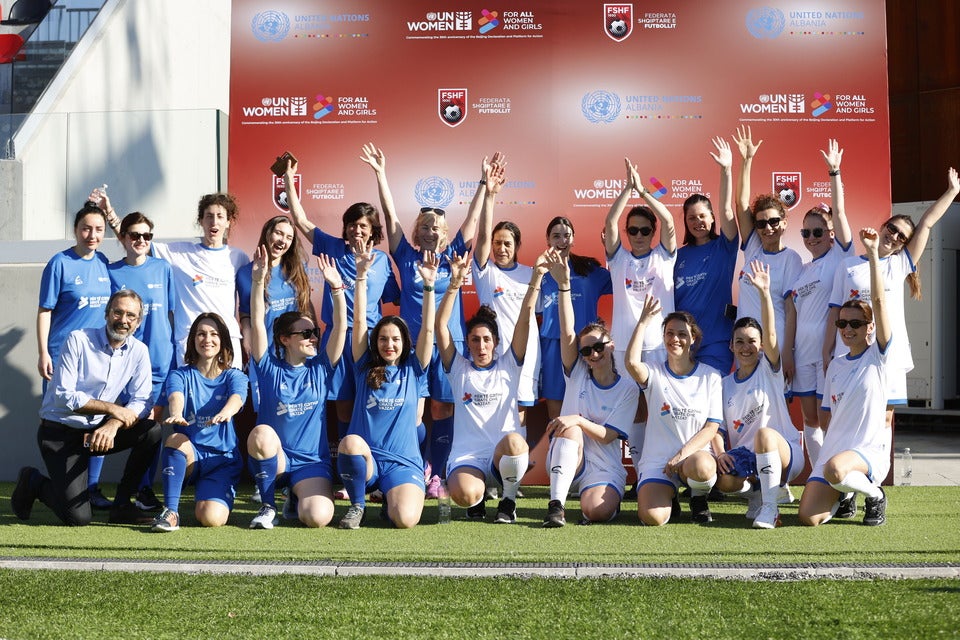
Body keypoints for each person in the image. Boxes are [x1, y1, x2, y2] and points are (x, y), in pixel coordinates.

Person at [822, 166, 959, 518]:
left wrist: (950, 193)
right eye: (892, 229)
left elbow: (927, 223)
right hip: (848, 356)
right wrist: (827, 350)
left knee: (881, 422)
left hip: (887, 358)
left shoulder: (900, 264)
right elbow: (835, 311)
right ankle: (849, 488)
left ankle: (872, 490)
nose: (895, 237)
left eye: (901, 236)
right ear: (882, 226)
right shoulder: (849, 265)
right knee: (846, 418)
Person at [361, 143, 485, 493]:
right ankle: (410, 466)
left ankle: (436, 473)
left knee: (444, 411)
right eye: (426, 226)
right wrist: (381, 174)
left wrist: (482, 185)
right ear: (419, 230)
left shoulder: (453, 258)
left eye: (438, 227)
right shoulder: (405, 255)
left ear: (446, 233)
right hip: (411, 350)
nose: (432, 231)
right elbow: (389, 215)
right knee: (413, 413)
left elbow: (473, 220)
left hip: (448, 346)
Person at [12, 290, 161, 526]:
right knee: (78, 518)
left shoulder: (139, 351)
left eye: (131, 316)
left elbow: (143, 400)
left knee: (151, 430)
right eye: (118, 312)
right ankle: (33, 482)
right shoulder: (78, 340)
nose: (123, 320)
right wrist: (113, 410)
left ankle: (122, 505)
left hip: (96, 432)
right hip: (59, 432)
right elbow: (64, 397)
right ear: (106, 313)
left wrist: (113, 424)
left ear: (138, 322)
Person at [283, 157, 400, 445]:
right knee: (343, 405)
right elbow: (299, 220)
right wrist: (288, 178)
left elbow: (395, 301)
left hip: (371, 341)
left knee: (373, 401)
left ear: (373, 230)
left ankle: (372, 462)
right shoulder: (332, 247)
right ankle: (347, 466)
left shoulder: (382, 261)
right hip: (337, 339)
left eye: (362, 226)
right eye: (351, 225)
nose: (356, 231)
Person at [438, 190, 538, 524]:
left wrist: (535, 284)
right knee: (464, 494)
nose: (481, 346)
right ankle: (476, 498)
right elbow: (440, 328)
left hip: (501, 454)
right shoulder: (459, 368)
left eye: (486, 341)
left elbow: (526, 320)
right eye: (474, 340)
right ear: (467, 343)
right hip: (469, 455)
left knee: (514, 439)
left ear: (495, 344)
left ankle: (508, 501)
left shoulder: (509, 362)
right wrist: (453, 286)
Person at [334, 244, 435, 529]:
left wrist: (428, 287)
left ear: (405, 343)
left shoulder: (414, 369)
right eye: (383, 339)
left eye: (396, 339)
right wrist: (361, 277)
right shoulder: (364, 365)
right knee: (350, 443)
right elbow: (359, 320)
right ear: (375, 343)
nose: (389, 345)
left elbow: (427, 330)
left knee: (405, 520)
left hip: (402, 464)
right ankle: (358, 505)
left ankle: (389, 499)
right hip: (368, 462)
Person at [245, 248, 346, 529]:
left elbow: (340, 328)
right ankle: (268, 506)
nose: (313, 338)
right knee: (262, 434)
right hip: (274, 460)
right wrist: (257, 281)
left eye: (314, 333)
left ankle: (295, 497)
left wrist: (336, 288)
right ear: (285, 339)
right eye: (305, 334)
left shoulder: (322, 368)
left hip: (311, 464)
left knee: (316, 517)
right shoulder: (268, 367)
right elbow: (256, 321)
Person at [799, 228, 894, 527]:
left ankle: (874, 494)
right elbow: (825, 417)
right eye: (843, 323)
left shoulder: (878, 356)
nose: (848, 328)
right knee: (809, 517)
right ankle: (846, 491)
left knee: (837, 471)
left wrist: (874, 254)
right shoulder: (836, 365)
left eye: (856, 322)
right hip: (835, 453)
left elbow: (878, 301)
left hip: (865, 452)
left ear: (869, 327)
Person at [541, 250, 639, 527]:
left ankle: (604, 501)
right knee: (569, 428)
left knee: (596, 512)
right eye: (586, 350)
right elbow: (567, 331)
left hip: (604, 466)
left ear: (610, 346)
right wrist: (564, 287)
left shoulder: (628, 387)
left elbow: (609, 436)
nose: (593, 354)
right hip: (568, 453)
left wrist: (577, 419)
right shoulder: (578, 372)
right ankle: (556, 507)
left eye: (598, 347)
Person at [714, 261, 804, 529]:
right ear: (731, 345)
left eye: (752, 341)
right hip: (748, 457)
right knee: (725, 481)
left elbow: (773, 333)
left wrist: (765, 294)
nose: (745, 347)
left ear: (761, 345)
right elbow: (717, 430)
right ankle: (760, 492)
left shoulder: (769, 368)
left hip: (785, 453)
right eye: (739, 341)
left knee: (764, 434)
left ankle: (770, 507)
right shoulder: (723, 384)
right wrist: (720, 454)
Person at [111, 192, 248, 369]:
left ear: (228, 222)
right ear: (201, 221)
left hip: (226, 341)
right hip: (189, 341)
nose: (214, 222)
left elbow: (247, 306)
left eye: (220, 216)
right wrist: (110, 214)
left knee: (230, 395)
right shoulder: (179, 253)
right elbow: (136, 239)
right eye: (209, 216)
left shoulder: (238, 257)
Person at [37, 200, 114, 509]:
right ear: (75, 230)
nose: (92, 235)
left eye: (98, 229)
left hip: (97, 361)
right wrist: (43, 352)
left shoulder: (105, 262)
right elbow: (45, 310)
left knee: (97, 422)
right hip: (62, 359)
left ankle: (91, 488)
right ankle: (58, 485)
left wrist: (111, 210)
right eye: (86, 228)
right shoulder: (60, 263)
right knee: (62, 425)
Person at [603, 156, 676, 477]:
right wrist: (626, 190)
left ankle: (661, 469)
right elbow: (609, 224)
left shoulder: (664, 255)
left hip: (659, 345)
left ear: (653, 231)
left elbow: (671, 222)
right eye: (633, 230)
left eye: (645, 230)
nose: (639, 234)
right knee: (632, 411)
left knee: (662, 409)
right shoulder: (618, 259)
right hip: (623, 347)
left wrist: (643, 191)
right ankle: (640, 471)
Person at [786, 140, 853, 470]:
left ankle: (839, 477)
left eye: (818, 231)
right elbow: (793, 315)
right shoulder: (802, 269)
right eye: (806, 232)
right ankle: (820, 479)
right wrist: (788, 352)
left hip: (832, 352)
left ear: (831, 234)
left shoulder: (841, 256)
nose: (811, 237)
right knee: (810, 421)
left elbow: (839, 212)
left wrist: (834, 171)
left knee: (830, 421)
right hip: (802, 354)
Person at [626, 299, 723, 526]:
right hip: (658, 461)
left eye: (681, 334)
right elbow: (631, 363)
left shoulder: (711, 376)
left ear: (693, 339)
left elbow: (711, 428)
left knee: (703, 467)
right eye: (669, 334)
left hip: (692, 458)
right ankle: (670, 495)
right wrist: (643, 322)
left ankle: (698, 498)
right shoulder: (654, 371)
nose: (675, 339)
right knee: (653, 518)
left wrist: (681, 456)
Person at [150, 313, 248, 532]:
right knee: (175, 439)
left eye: (214, 334)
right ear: (193, 340)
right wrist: (176, 413)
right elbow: (176, 396)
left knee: (210, 519)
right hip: (192, 456)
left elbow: (237, 398)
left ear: (222, 340)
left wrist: (226, 412)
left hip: (222, 460)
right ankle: (171, 512)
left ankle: (209, 496)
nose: (207, 339)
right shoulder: (180, 374)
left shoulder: (234, 376)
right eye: (201, 334)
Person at [107, 212, 177, 512]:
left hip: (161, 361)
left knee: (152, 428)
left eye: (147, 236)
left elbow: (171, 315)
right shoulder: (111, 272)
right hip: (124, 364)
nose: (140, 241)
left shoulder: (163, 268)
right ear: (123, 237)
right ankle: (94, 488)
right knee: (118, 423)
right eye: (134, 235)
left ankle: (144, 490)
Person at [471, 158, 541, 429]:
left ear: (517, 245)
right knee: (493, 412)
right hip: (494, 355)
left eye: (507, 243)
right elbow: (483, 236)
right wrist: (490, 196)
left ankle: (516, 470)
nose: (500, 248)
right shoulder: (485, 272)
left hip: (526, 356)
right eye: (497, 243)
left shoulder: (532, 274)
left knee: (519, 416)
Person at [733, 125, 803, 355]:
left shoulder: (791, 259)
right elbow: (741, 206)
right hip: (745, 345)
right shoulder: (753, 246)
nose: (768, 228)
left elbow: (791, 310)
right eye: (761, 223)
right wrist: (747, 161)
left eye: (773, 221)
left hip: (776, 344)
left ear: (784, 223)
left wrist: (788, 351)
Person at [673, 137, 739, 374]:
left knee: (712, 406)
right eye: (692, 218)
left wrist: (726, 171)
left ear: (712, 218)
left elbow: (728, 210)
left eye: (702, 216)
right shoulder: (677, 256)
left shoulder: (725, 247)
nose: (698, 222)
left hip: (716, 343)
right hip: (682, 345)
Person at [236, 214, 314, 410]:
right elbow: (246, 312)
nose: (283, 241)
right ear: (267, 234)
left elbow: (306, 304)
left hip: (296, 350)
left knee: (298, 406)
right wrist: (247, 336)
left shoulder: (297, 268)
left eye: (289, 237)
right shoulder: (246, 273)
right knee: (270, 408)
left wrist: (313, 336)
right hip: (265, 349)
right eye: (279, 233)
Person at [540, 216, 613, 419]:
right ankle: (557, 448)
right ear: (548, 240)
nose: (562, 241)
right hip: (553, 346)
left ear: (573, 239)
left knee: (588, 405)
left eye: (566, 235)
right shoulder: (540, 272)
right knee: (556, 410)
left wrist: (610, 251)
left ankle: (586, 451)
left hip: (587, 348)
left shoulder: (589, 269)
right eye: (556, 236)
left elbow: (621, 280)